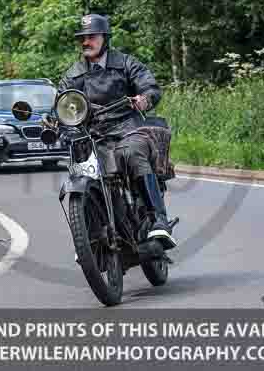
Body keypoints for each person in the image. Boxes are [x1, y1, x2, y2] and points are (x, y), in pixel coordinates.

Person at [57, 14, 177, 249]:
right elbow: (62, 103)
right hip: (93, 136)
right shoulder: (73, 75)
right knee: (83, 172)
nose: (86, 42)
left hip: (128, 128)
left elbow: (150, 86)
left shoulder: (125, 63)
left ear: (105, 38)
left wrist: (143, 99)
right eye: (83, 38)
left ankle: (158, 219)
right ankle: (89, 238)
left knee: (132, 154)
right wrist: (53, 120)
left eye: (91, 37)